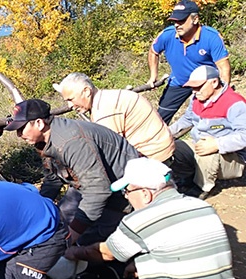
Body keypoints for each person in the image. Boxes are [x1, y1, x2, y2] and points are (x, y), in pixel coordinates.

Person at [65, 157, 244, 279]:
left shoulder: (139, 221)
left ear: (145, 193)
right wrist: (143, 264)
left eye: (127, 191)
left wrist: (74, 252)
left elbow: (104, 253)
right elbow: (182, 248)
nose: (126, 197)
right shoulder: (202, 207)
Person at [4, 99, 140, 246]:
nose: (19, 134)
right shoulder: (44, 141)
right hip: (91, 186)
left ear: (39, 123)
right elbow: (53, 179)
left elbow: (98, 190)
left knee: (98, 242)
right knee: (61, 220)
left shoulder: (71, 142)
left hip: (126, 193)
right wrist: (40, 209)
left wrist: (73, 234)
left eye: (21, 128)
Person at [54, 72, 175, 163]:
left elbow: (112, 151)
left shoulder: (105, 111)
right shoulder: (107, 97)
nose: (70, 105)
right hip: (160, 146)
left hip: (154, 156)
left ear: (86, 92)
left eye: (71, 99)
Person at [169, 65, 246, 199]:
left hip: (233, 158)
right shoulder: (197, 99)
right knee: (174, 147)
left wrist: (217, 144)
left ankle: (201, 188)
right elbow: (187, 120)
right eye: (192, 87)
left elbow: (244, 135)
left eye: (198, 87)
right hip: (201, 146)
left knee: (206, 152)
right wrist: (165, 134)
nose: (194, 91)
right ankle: (186, 180)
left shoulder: (234, 103)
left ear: (214, 82)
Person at [147, 0, 230, 124]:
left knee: (209, 117)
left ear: (195, 19)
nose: (177, 25)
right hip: (179, 81)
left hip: (204, 83)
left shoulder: (211, 37)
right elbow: (153, 51)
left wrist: (222, 93)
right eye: (175, 21)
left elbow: (224, 68)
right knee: (160, 118)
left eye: (181, 21)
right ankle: (156, 140)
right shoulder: (167, 35)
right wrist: (153, 76)